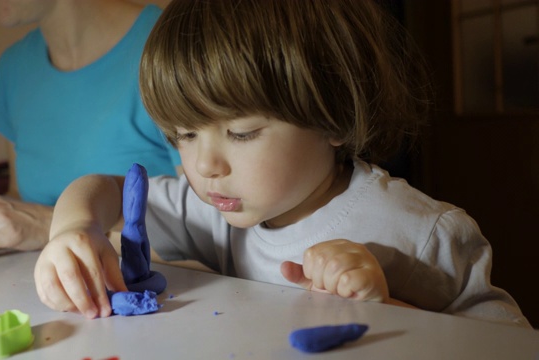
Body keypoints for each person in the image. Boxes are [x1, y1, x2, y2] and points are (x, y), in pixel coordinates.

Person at [33, 0, 530, 328]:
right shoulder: (213, 209)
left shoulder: (421, 233)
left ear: (331, 117)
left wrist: (389, 310)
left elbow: (507, 344)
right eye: (184, 134)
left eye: (241, 133)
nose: (204, 164)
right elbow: (103, 188)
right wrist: (74, 228)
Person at [0, 0, 179, 261]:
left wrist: (55, 226)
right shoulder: (14, 67)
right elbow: (22, 201)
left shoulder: (173, 45)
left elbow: (214, 239)